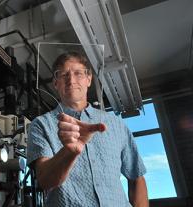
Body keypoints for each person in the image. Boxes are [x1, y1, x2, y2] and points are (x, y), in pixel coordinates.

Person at [27, 51, 148, 206]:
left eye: (78, 73)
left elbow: (137, 177)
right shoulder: (41, 124)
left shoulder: (115, 124)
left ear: (89, 79)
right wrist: (69, 152)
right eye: (63, 75)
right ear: (55, 83)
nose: (71, 80)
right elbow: (45, 180)